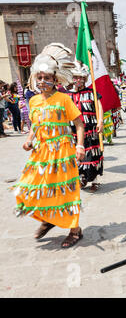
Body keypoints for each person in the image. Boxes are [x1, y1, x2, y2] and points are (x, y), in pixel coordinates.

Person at [14, 43, 85, 248]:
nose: (43, 81)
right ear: (35, 78)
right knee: (34, 188)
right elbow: (35, 124)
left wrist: (79, 147)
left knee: (67, 190)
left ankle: (75, 230)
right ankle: (48, 219)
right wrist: (29, 140)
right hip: (42, 152)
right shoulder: (34, 101)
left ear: (55, 79)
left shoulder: (64, 99)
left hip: (63, 151)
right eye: (40, 77)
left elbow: (79, 124)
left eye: (47, 77)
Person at [68, 62, 104, 191]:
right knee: (77, 156)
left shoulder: (92, 92)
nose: (79, 80)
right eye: (76, 77)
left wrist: (100, 121)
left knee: (92, 156)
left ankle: (94, 180)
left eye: (81, 78)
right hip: (74, 131)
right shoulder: (68, 95)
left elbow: (99, 106)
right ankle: (82, 178)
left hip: (91, 129)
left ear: (85, 79)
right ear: (72, 79)